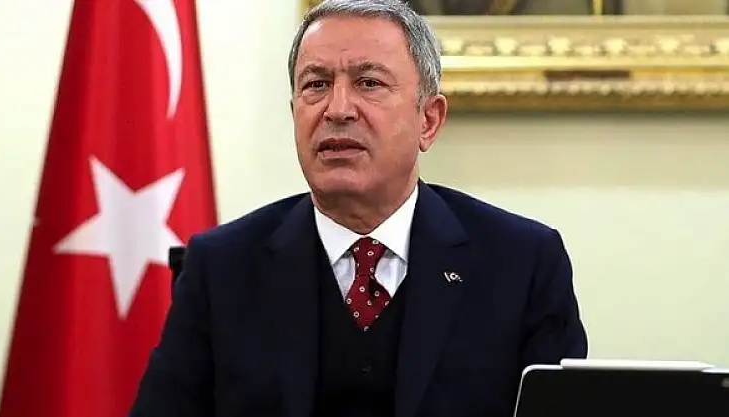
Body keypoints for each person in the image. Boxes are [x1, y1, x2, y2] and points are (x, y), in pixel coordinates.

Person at [128, 0, 588, 416]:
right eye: (316, 85)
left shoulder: (522, 263)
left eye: (369, 83)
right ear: (294, 113)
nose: (338, 109)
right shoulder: (221, 267)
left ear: (428, 120)